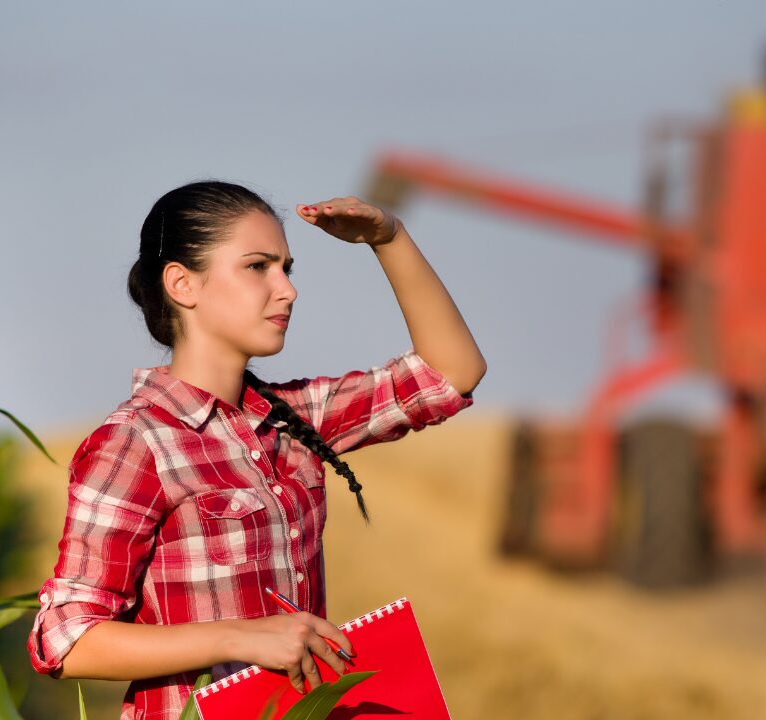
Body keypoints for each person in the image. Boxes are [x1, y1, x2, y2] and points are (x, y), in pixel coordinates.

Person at [25, 181, 486, 719]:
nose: (287, 289)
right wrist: (238, 638)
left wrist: (390, 238)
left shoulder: (294, 420)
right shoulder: (134, 443)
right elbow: (64, 639)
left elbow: (450, 375)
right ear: (182, 283)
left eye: (287, 269)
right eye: (258, 267)